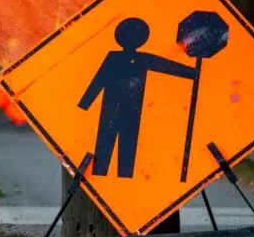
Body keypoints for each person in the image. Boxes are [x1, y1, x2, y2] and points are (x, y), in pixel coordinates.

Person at [78, 17, 196, 178]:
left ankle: (122, 179)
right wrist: (84, 104)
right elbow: (99, 80)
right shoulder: (116, 57)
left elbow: (166, 66)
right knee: (104, 152)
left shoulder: (141, 58)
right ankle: (102, 175)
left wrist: (192, 73)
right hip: (112, 111)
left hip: (130, 113)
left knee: (126, 151)